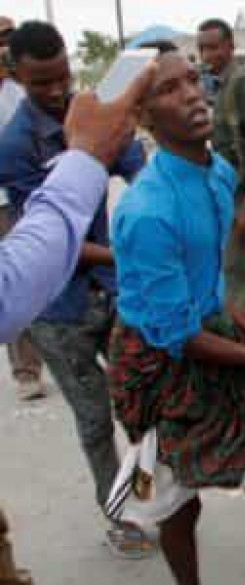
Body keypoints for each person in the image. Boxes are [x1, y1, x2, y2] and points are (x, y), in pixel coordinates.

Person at [108, 47, 245, 585]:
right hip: (160, 371)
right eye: (169, 89)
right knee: (177, 507)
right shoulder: (146, 211)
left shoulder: (220, 173)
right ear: (143, 116)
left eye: (192, 80)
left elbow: (207, 279)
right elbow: (179, 336)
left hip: (214, 341)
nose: (192, 96)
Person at [0, 21, 156, 559]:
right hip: (55, 308)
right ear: (15, 76)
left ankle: (148, 494)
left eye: (61, 77)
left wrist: (158, 217)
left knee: (140, 404)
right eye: (40, 83)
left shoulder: (95, 114)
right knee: (93, 420)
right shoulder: (12, 145)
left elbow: (140, 173)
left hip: (112, 293)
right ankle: (120, 515)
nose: (55, 91)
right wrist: (128, 253)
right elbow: (47, 241)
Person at [197, 19, 245, 309]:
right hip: (229, 194)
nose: (207, 55)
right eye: (203, 49)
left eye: (214, 47)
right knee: (233, 273)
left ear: (230, 47)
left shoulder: (242, 82)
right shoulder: (215, 85)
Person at [0, 16, 45, 402]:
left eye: (8, 38)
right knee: (12, 283)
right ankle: (26, 368)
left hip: (29, 195)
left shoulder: (21, 91)